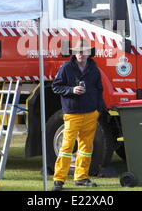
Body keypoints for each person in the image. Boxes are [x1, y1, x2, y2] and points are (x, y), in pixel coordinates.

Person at [51, 39, 105, 191]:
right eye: (78, 51)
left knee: (86, 147)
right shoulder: (66, 68)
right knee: (67, 146)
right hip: (73, 113)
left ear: (89, 53)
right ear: (74, 53)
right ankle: (59, 180)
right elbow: (56, 87)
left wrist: (98, 110)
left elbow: (99, 90)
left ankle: (81, 177)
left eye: (84, 51)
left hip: (90, 113)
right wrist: (71, 90)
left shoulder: (94, 70)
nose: (81, 54)